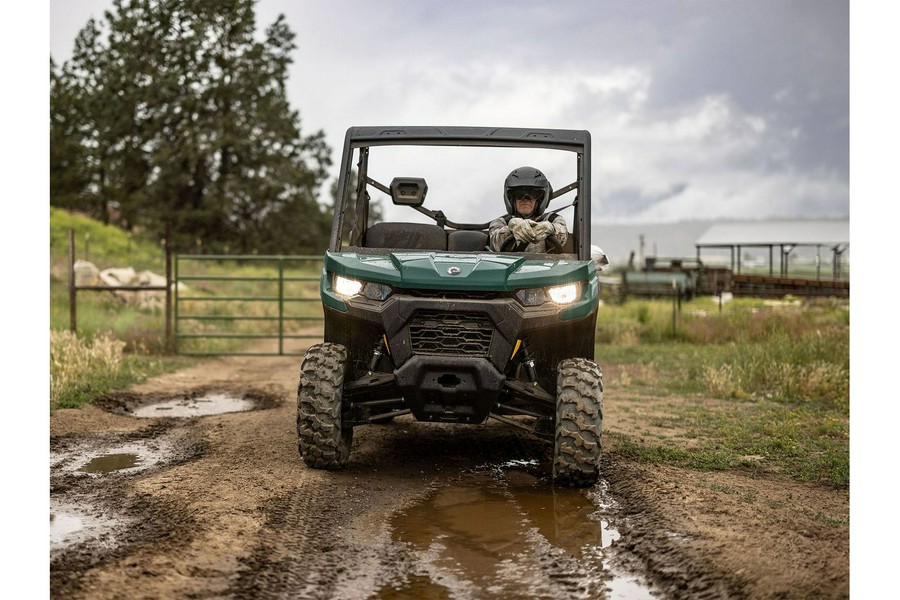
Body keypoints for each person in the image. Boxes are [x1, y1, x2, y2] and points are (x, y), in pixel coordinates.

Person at [489, 166, 568, 252]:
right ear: (512, 199)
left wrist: (550, 229)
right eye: (519, 194)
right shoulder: (500, 223)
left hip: (545, 264)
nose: (525, 199)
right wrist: (512, 229)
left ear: (540, 199)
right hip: (511, 265)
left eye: (533, 194)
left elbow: (562, 234)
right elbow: (497, 241)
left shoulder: (552, 219)